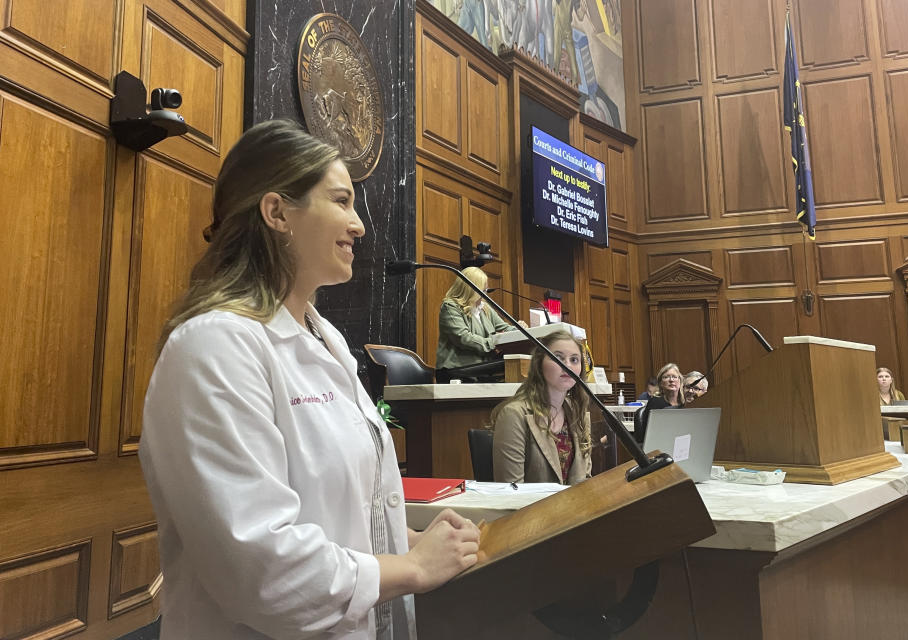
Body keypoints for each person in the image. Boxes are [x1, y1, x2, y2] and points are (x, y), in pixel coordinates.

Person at [139, 120, 480, 640]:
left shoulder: (328, 339)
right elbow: (260, 568)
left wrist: (407, 540)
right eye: (341, 201)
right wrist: (413, 569)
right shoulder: (214, 346)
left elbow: (336, 509)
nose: (359, 224)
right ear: (277, 212)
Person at [491, 329, 593, 485]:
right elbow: (512, 493)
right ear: (539, 364)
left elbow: (586, 480)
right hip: (531, 508)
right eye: (557, 357)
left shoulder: (577, 412)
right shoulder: (513, 415)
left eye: (574, 360)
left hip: (576, 507)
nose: (567, 365)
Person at [436, 266, 512, 375]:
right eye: (484, 290)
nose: (486, 294)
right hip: (458, 371)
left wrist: (521, 331)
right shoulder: (450, 307)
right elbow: (464, 338)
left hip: (482, 370)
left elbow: (505, 328)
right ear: (471, 289)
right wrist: (494, 343)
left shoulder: (485, 308)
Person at [634, 363, 685, 443]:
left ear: (680, 381)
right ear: (661, 383)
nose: (671, 380)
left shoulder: (685, 403)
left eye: (674, 377)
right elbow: (649, 434)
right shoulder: (655, 403)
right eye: (666, 377)